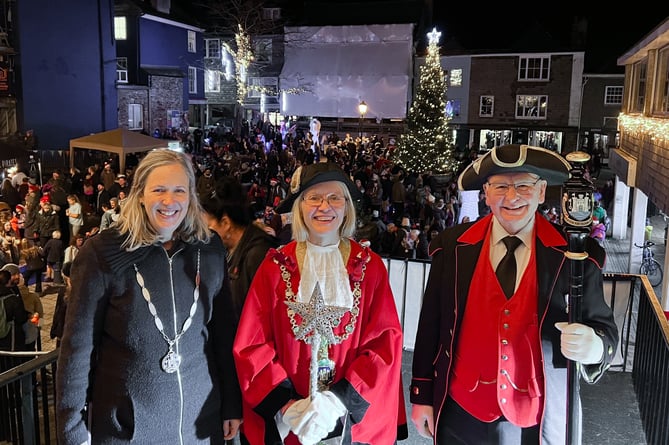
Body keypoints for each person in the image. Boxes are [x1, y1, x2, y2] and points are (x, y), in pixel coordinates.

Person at [410, 144, 619, 445]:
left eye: (523, 185)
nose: (511, 197)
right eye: (500, 186)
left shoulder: (576, 256)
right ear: (485, 192)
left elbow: (606, 332)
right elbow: (431, 324)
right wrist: (421, 394)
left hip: (536, 420)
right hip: (461, 413)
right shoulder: (452, 247)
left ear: (542, 191)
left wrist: (595, 348)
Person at [55, 149, 242, 445]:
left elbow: (223, 333)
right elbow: (77, 348)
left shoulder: (209, 249)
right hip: (127, 429)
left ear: (191, 196)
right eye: (159, 190)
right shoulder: (102, 253)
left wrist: (232, 402)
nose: (170, 202)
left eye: (179, 190)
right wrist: (72, 430)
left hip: (201, 423)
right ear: (140, 194)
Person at [233, 162, 407, 445]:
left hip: (352, 418)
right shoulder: (274, 267)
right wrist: (287, 406)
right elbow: (252, 344)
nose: (324, 207)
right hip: (291, 419)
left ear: (347, 207)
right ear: (300, 207)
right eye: (314, 198)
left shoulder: (371, 268)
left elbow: (384, 344)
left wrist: (338, 402)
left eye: (335, 197)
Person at [200, 175, 279, 322]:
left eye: (209, 227)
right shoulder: (231, 251)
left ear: (225, 223)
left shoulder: (258, 254)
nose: (205, 234)